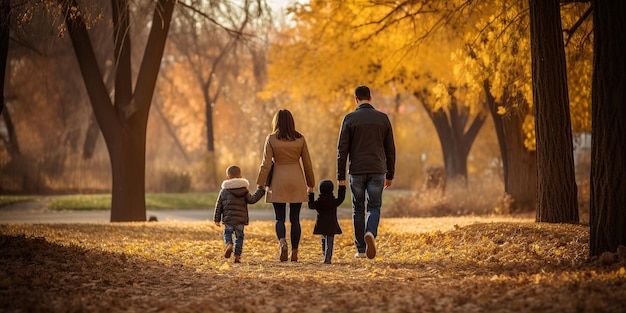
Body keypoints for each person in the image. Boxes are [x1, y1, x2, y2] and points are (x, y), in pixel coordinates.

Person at [337, 85, 396, 259]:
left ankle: (361, 250)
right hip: (378, 170)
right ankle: (370, 232)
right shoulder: (383, 119)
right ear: (370, 98)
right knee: (374, 206)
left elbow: (342, 150)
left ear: (356, 100)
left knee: (358, 209)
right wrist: (390, 174)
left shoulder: (349, 119)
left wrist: (340, 176)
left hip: (356, 171)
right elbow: (390, 149)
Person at [257, 109, 315, 262]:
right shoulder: (300, 139)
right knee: (295, 219)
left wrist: (260, 183)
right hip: (296, 179)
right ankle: (295, 251)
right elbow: (307, 164)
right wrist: (311, 184)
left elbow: (266, 164)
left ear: (276, 122)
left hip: (278, 181)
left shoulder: (271, 139)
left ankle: (282, 242)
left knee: (279, 218)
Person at [214, 165, 265, 263]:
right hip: (240, 220)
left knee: (227, 233)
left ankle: (229, 244)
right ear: (241, 177)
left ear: (227, 178)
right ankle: (237, 256)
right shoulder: (244, 190)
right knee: (239, 237)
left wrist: (217, 219)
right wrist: (261, 191)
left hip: (228, 219)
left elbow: (219, 205)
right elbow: (252, 200)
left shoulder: (224, 191)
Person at [308, 180, 346, 264]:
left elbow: (310, 205)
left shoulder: (319, 202)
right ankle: (328, 257)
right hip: (331, 224)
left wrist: (310, 193)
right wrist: (341, 187)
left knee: (323, 239)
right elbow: (341, 198)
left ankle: (325, 255)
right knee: (330, 241)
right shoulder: (333, 201)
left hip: (321, 224)